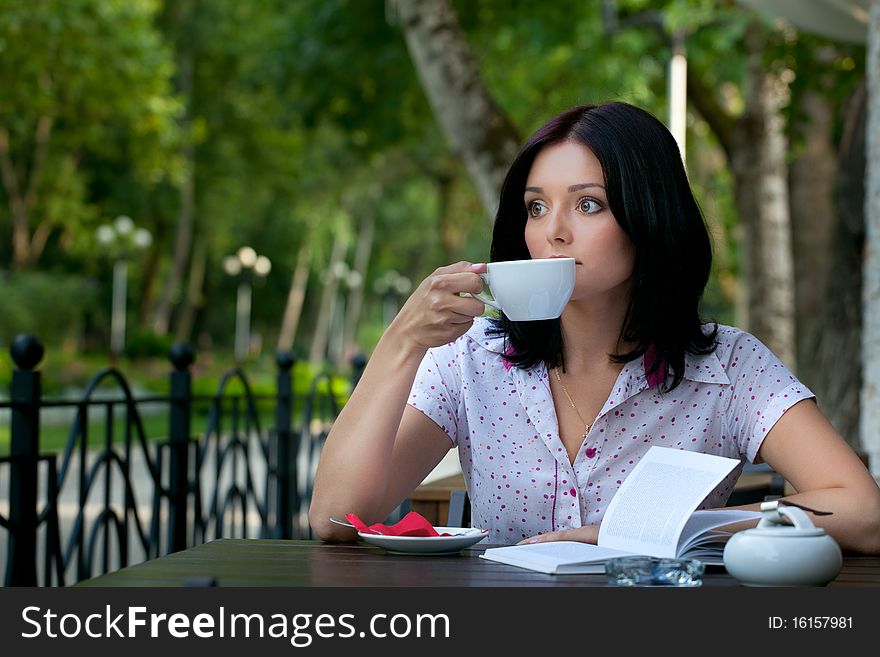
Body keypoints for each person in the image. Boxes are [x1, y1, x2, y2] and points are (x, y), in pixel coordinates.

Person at [309, 101, 880, 553]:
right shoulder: (469, 360)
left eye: (587, 205)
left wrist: (668, 526)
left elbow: (862, 512)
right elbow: (335, 519)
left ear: (648, 216)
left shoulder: (728, 367)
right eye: (536, 207)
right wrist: (402, 340)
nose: (552, 231)